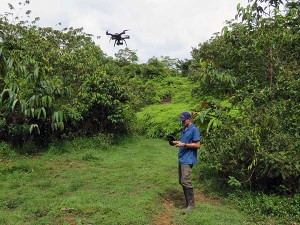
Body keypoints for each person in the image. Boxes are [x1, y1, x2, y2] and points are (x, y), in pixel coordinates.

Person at [172, 111, 201, 213]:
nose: (182, 122)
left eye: (183, 121)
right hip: (182, 158)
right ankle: (187, 203)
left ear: (189, 119)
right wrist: (177, 142)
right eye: (181, 121)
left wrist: (183, 144)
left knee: (185, 181)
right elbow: (184, 141)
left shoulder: (194, 130)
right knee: (181, 181)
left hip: (188, 159)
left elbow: (197, 145)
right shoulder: (184, 129)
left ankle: (191, 205)